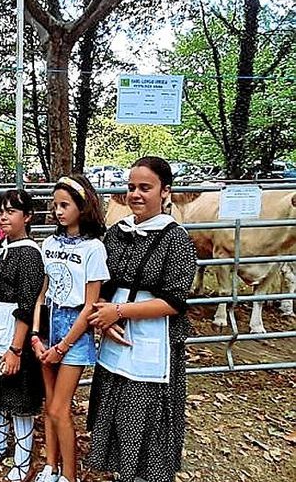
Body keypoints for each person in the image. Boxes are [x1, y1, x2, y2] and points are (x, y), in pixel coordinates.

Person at [86, 157, 197, 482]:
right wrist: (103, 313)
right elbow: (100, 282)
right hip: (114, 333)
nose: (135, 194)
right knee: (117, 403)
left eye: (145, 187)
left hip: (152, 337)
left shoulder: (176, 240)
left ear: (165, 191)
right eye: (131, 187)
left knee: (144, 408)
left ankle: (146, 474)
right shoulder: (117, 233)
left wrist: (117, 313)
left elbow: (175, 300)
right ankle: (123, 469)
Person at [31, 175, 108, 482]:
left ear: (82, 206)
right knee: (50, 404)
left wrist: (63, 346)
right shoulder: (48, 244)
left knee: (61, 407)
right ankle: (51, 465)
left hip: (75, 330)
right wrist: (36, 335)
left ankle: (69, 474)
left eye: (65, 205)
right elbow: (42, 291)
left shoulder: (94, 248)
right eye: (55, 205)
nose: (58, 211)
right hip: (49, 322)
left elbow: (90, 305)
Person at [0, 190, 45, 482]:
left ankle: (23, 459)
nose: (3, 216)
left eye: (12, 211)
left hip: (12, 334)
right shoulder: (4, 248)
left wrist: (16, 348)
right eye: (1, 210)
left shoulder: (29, 255)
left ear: (27, 217)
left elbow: (27, 305)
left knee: (17, 396)